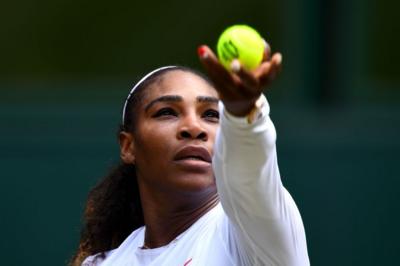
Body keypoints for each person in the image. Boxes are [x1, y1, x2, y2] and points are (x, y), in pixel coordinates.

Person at [70, 43, 310, 266]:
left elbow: (249, 174)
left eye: (211, 115)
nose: (194, 128)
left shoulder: (249, 235)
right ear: (128, 146)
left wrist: (243, 114)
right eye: (167, 112)